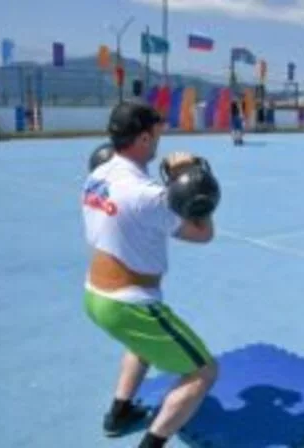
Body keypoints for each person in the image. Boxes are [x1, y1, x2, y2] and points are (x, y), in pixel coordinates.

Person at [82, 101, 218, 448]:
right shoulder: (147, 195)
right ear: (143, 138)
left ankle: (119, 412)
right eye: (156, 131)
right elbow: (203, 233)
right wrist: (188, 179)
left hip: (94, 294)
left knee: (140, 344)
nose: (160, 137)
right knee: (203, 372)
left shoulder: (97, 175)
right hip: (129, 302)